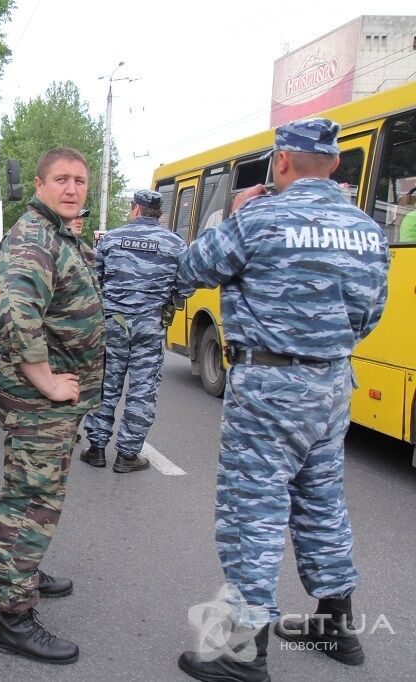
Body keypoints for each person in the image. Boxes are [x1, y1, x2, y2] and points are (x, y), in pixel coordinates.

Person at [174, 118, 389, 682]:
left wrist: (238, 211)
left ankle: (243, 651)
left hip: (268, 388)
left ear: (282, 162)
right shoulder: (367, 230)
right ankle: (336, 626)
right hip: (331, 385)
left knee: (254, 509)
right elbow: (369, 315)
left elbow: (191, 268)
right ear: (336, 164)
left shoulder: (259, 219)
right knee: (320, 501)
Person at [0, 147, 105, 664]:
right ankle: (12, 617)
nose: (73, 188)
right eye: (62, 179)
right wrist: (48, 382)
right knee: (31, 500)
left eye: (80, 180)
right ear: (39, 184)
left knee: (39, 496)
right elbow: (17, 314)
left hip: (51, 405)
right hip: (39, 401)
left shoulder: (57, 233)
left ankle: (24, 572)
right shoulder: (34, 237)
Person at [80, 189, 189, 472]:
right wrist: (167, 302)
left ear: (136, 209)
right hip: (150, 325)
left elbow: (94, 281)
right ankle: (128, 455)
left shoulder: (111, 239)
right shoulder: (176, 244)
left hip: (113, 324)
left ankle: (97, 448)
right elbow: (186, 286)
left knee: (106, 384)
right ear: (158, 213)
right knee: (142, 389)